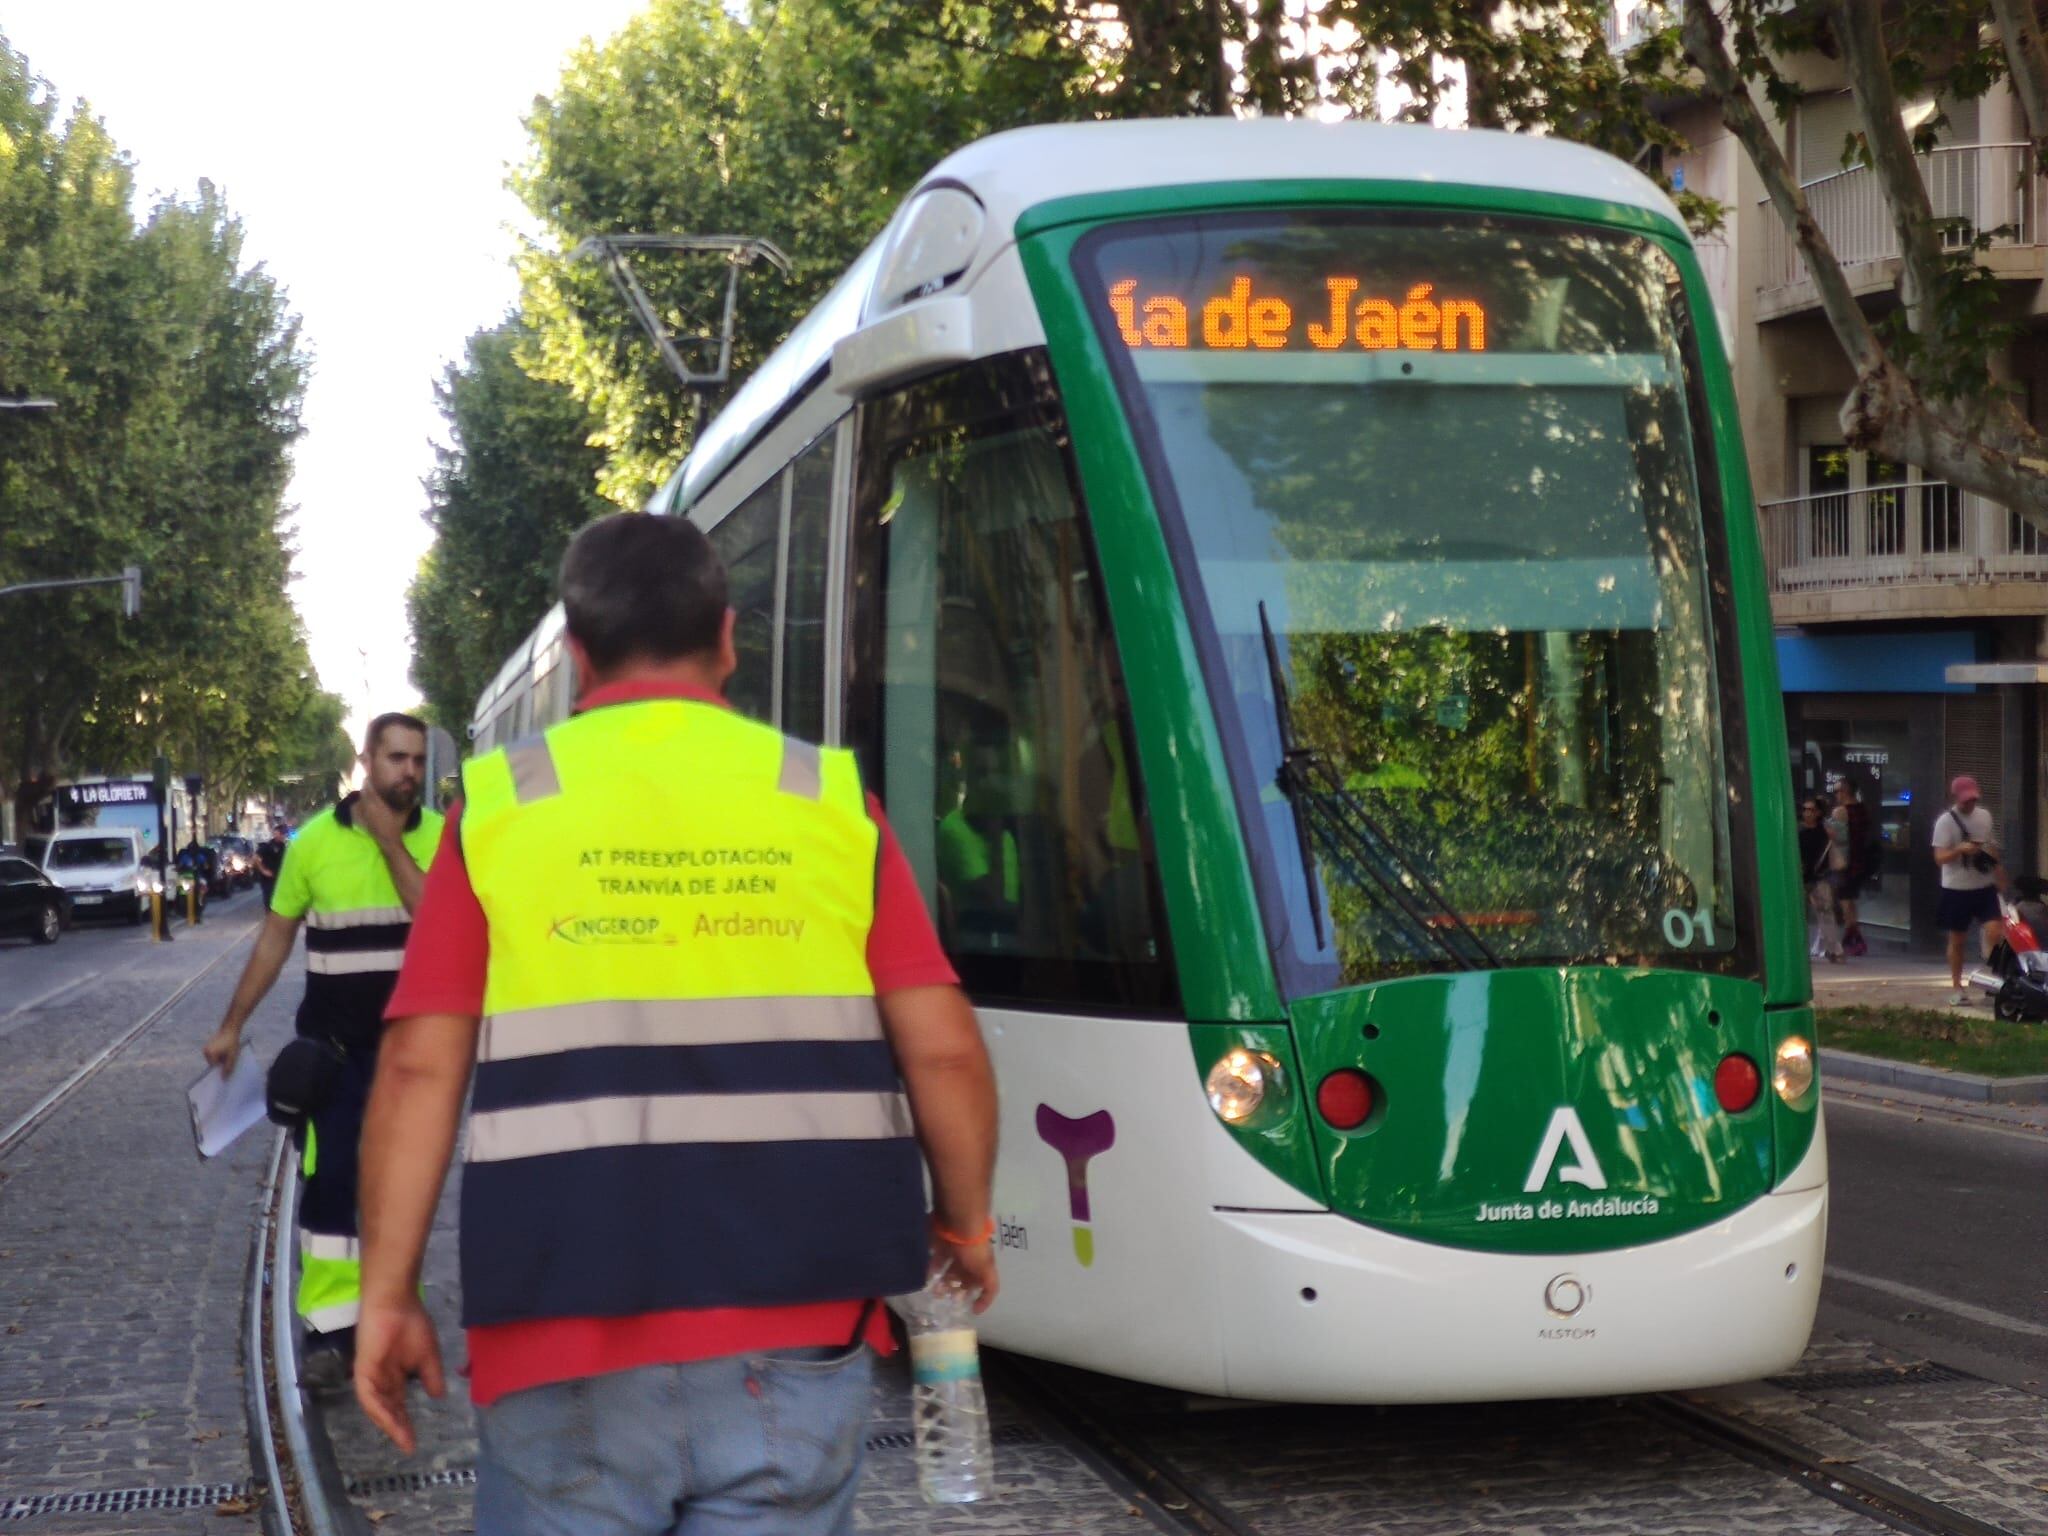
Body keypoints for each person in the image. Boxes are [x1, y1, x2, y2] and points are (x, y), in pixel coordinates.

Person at [354, 513, 998, 1536]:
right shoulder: (828, 800)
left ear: (573, 656)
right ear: (729, 637)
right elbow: (944, 1047)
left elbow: (415, 1072)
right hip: (798, 1328)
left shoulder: (502, 808)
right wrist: (962, 1225)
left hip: (559, 1323)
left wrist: (385, 1294)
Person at [203, 715, 441, 1388]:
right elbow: (275, 941)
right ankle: (332, 1332)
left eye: (418, 761)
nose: (409, 773)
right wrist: (232, 1025)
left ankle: (393, 1318)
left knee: (402, 1194)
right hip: (336, 1054)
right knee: (332, 1186)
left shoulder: (444, 838)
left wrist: (394, 847)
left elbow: (438, 924)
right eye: (396, 758)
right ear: (367, 760)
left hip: (415, 1056)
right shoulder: (311, 846)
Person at [1932, 774, 2003, 1006]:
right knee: (1957, 939)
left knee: (1995, 929)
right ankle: (1956, 985)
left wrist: (1993, 860)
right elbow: (1939, 857)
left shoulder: (1984, 816)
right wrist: (1959, 850)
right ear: (1956, 798)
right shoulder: (1945, 822)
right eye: (1965, 801)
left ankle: (1992, 975)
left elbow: (1991, 845)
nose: (1970, 804)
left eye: (1973, 799)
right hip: (1956, 888)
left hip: (1983, 884)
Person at [1831, 779, 1873, 955]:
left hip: (1844, 861)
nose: (1835, 796)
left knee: (1845, 901)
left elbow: (1836, 837)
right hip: (1859, 860)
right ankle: (1853, 937)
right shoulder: (1862, 810)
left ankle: (1852, 938)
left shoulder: (1841, 812)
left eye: (1837, 792)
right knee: (1850, 900)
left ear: (1844, 792)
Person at [1798, 797, 1842, 963]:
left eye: (1811, 810)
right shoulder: (1799, 832)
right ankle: (1800, 951)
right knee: (1800, 915)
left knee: (1826, 913)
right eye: (1805, 809)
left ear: (1818, 812)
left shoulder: (1825, 832)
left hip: (1819, 877)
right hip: (1801, 878)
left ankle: (1835, 951)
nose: (1807, 813)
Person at [255, 823, 289, 908]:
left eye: (284, 834)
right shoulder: (268, 846)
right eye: (280, 833)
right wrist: (263, 870)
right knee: (269, 902)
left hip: (280, 879)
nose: (283, 836)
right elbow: (256, 857)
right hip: (269, 880)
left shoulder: (284, 846)